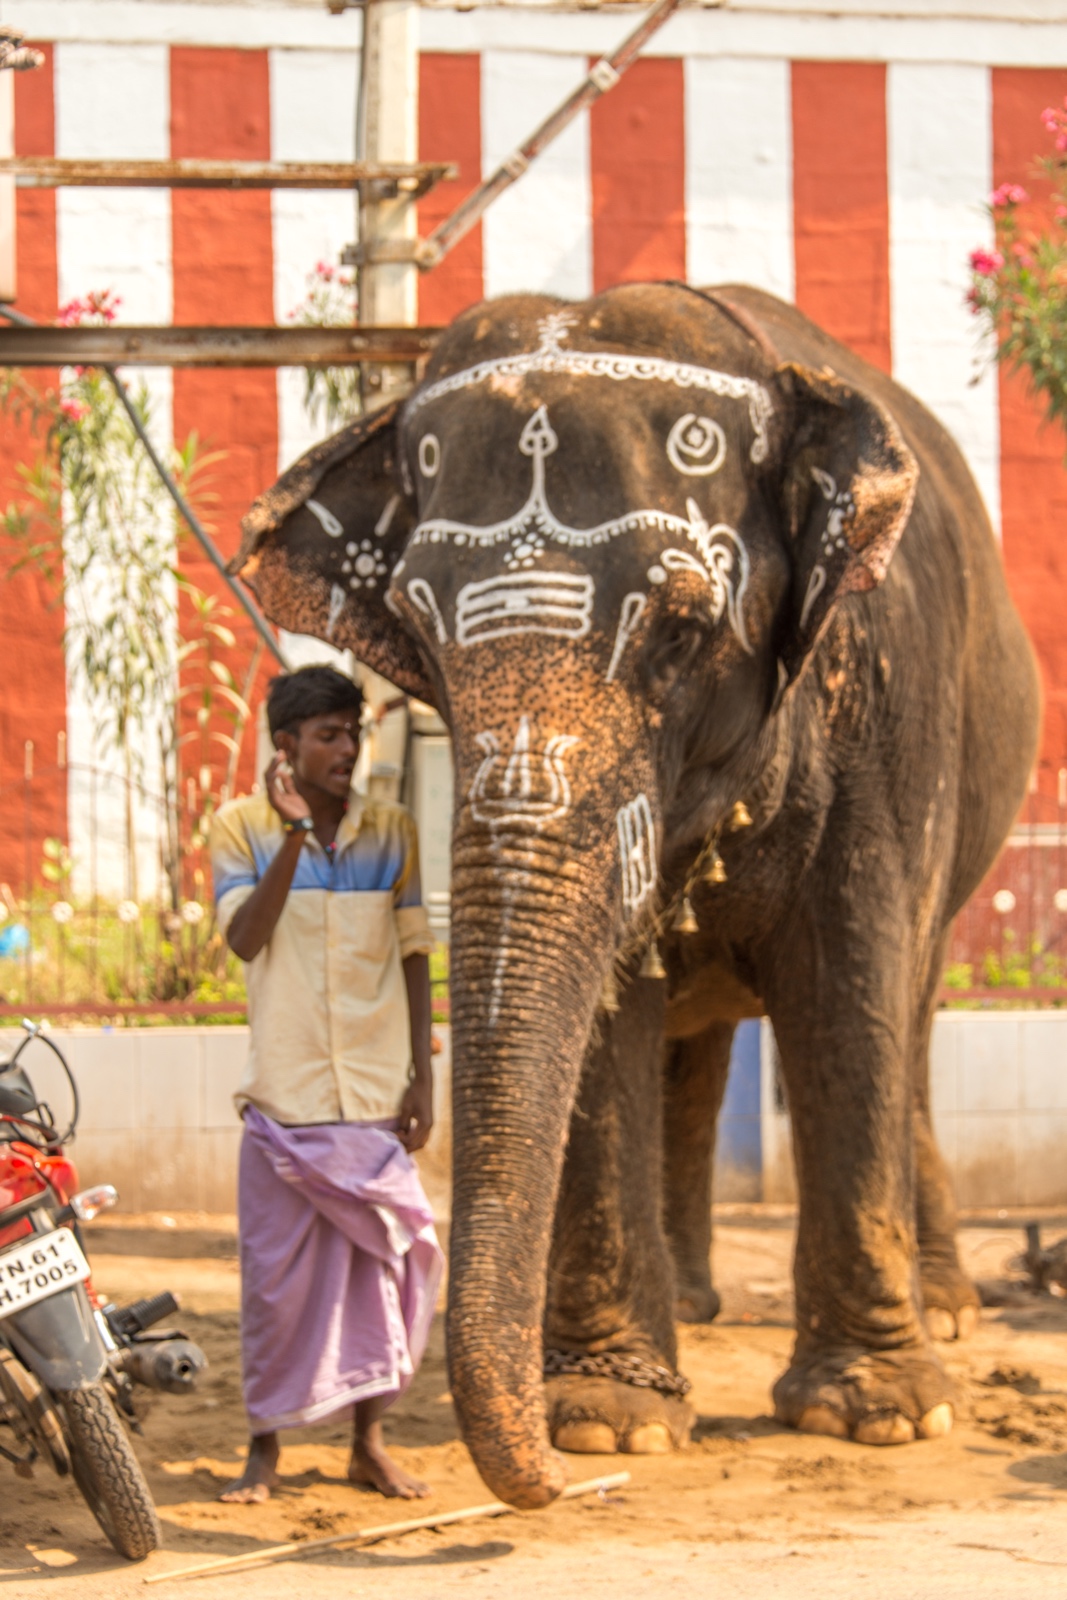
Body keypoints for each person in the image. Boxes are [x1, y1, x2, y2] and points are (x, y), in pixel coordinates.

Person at [208, 664, 443, 1503]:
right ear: (286, 745)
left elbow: (413, 954)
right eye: (329, 735)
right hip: (285, 1100)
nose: (348, 748)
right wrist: (295, 835)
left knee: (379, 1278)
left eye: (354, 732)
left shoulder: (393, 832)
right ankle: (264, 1449)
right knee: (273, 1288)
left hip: (374, 1097)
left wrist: (422, 1077)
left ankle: (367, 1444)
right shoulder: (238, 829)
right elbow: (245, 939)